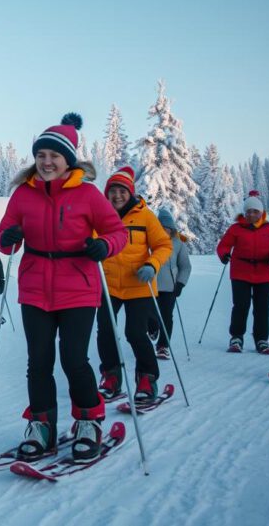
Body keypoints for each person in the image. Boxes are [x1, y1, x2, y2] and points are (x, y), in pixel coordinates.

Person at [0, 113, 128, 463]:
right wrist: (8, 239)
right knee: (38, 361)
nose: (46, 162)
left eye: (53, 156)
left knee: (74, 359)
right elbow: (4, 240)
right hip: (35, 286)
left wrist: (105, 246)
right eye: (41, 155)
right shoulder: (23, 195)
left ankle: (88, 421)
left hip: (79, 286)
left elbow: (118, 233)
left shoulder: (87, 194)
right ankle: (41, 426)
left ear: (68, 159)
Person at [96, 166, 173, 403]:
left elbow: (164, 245)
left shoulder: (145, 216)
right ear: (107, 193)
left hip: (138, 285)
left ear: (130, 193)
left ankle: (147, 378)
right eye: (113, 191)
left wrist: (152, 265)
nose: (117, 196)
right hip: (108, 286)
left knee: (135, 333)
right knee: (106, 331)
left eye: (122, 191)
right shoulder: (99, 216)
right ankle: (111, 377)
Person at [215, 190, 269, 354]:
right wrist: (224, 255)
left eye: (255, 211)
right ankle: (236, 337)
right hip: (240, 272)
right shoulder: (236, 229)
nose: (251, 214)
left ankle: (261, 339)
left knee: (262, 308)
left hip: (264, 273)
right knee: (240, 306)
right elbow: (223, 245)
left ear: (261, 212)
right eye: (248, 211)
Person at [149, 207, 191, 359]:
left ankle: (162, 346)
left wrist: (180, 284)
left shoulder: (178, 244)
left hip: (169, 288)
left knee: (166, 316)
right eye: (160, 227)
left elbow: (185, 266)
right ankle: (152, 329)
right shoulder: (149, 241)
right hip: (150, 287)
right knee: (150, 314)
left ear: (171, 228)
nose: (163, 230)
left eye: (165, 228)